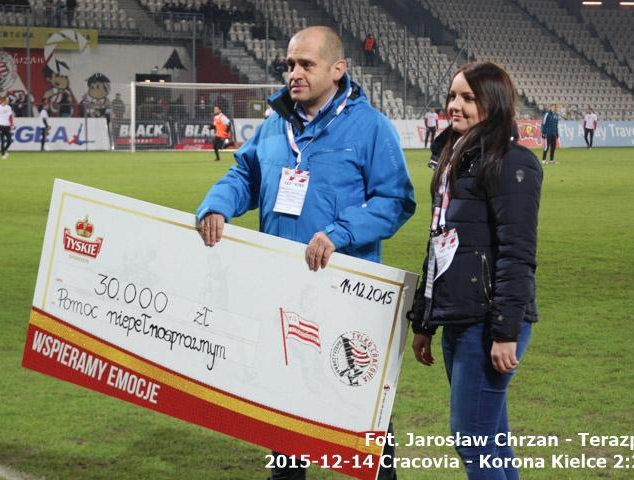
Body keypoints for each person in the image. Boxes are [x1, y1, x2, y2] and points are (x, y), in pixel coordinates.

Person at [196, 26, 415, 480]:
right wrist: (217, 204)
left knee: (359, 404)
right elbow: (244, 176)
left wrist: (341, 232)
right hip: (281, 290)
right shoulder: (275, 124)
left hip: (345, 295)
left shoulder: (371, 127)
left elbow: (395, 200)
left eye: (306, 64)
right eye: (290, 64)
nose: (294, 73)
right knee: (282, 406)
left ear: (337, 70)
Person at [409, 61, 542, 480]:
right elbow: (438, 244)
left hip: (487, 325)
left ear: (493, 102)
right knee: (491, 440)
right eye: (452, 96)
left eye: (468, 98)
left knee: (472, 438)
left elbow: (517, 253)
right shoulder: (454, 160)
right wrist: (424, 320)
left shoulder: (512, 161)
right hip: (459, 319)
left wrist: (505, 332)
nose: (455, 105)